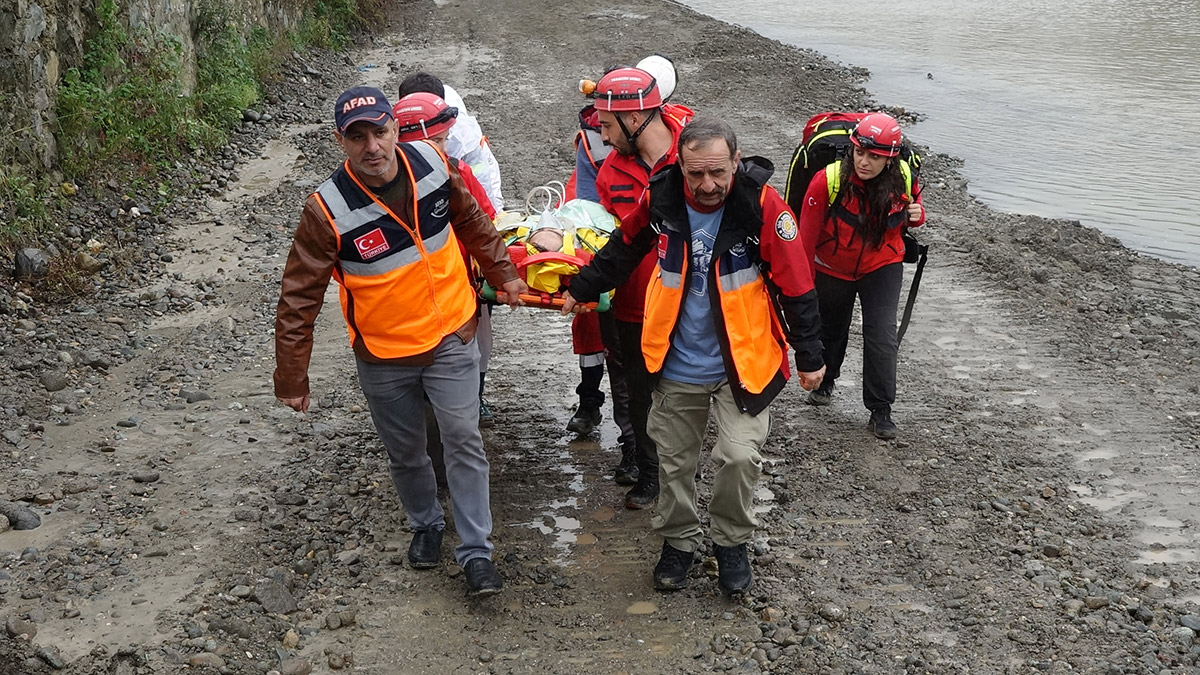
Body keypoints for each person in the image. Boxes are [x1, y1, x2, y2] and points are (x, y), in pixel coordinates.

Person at [273, 85, 526, 596]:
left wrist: (505, 273)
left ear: (395, 128)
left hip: (453, 333)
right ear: (341, 142)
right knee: (408, 452)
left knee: (463, 438)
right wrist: (292, 378)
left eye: (380, 131)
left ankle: (477, 552)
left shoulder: (432, 164)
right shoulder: (326, 211)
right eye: (358, 137)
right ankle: (427, 524)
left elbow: (471, 221)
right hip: (384, 354)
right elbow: (299, 296)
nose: (372, 147)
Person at [563, 117, 826, 595]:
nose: (707, 186)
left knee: (739, 457)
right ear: (679, 166)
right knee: (674, 463)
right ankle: (678, 543)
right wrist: (583, 287)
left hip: (742, 363)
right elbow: (625, 246)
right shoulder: (662, 197)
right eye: (696, 174)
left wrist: (810, 355)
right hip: (675, 360)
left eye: (718, 173)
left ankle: (731, 543)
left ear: (736, 162)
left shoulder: (763, 205)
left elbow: (797, 282)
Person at [575, 64, 694, 511]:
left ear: (635, 117)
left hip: (685, 301)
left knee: (684, 390)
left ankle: (682, 469)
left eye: (606, 125)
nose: (603, 137)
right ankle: (649, 473)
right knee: (638, 390)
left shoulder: (694, 158)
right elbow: (609, 242)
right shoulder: (610, 174)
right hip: (630, 304)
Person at [797, 112, 925, 440]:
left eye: (874, 156)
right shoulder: (827, 180)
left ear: (891, 159)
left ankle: (881, 410)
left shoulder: (904, 178)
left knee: (881, 333)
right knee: (832, 329)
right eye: (859, 152)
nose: (863, 162)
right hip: (830, 267)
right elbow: (805, 238)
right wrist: (802, 288)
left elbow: (913, 214)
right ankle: (826, 382)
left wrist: (918, 215)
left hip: (882, 265)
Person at [399, 72, 505, 426]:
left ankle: (470, 398)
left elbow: (487, 219)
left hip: (461, 283)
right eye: (438, 141)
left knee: (475, 349)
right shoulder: (374, 184)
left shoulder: (460, 163)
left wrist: (498, 272)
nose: (444, 147)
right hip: (420, 292)